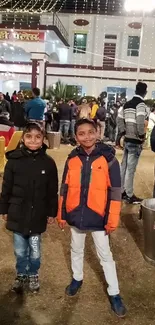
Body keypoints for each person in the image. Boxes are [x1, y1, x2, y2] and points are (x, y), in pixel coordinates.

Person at [57, 118, 126, 318]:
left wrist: (112, 218)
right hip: (76, 213)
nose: (86, 137)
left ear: (97, 133)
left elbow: (115, 192)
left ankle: (114, 293)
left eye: (90, 132)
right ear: (76, 136)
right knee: (76, 248)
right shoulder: (72, 159)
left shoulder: (109, 159)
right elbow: (64, 187)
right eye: (81, 133)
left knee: (105, 255)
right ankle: (77, 278)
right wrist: (62, 213)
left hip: (99, 216)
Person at [0, 122, 58, 294]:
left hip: (37, 215)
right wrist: (3, 209)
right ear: (23, 138)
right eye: (29, 136)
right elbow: (6, 188)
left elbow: (52, 191)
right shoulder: (13, 161)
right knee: (19, 250)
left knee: (35, 251)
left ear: (43, 139)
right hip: (17, 213)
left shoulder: (48, 163)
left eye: (38, 137)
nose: (33, 140)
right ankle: (21, 273)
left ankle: (33, 273)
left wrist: (52, 211)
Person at [118, 82, 148, 204]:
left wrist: (123, 131)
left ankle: (121, 191)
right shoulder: (141, 105)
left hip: (127, 139)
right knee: (131, 169)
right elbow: (140, 120)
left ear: (136, 90)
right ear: (145, 92)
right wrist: (141, 135)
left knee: (124, 166)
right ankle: (129, 194)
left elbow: (119, 119)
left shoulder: (127, 104)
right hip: (135, 141)